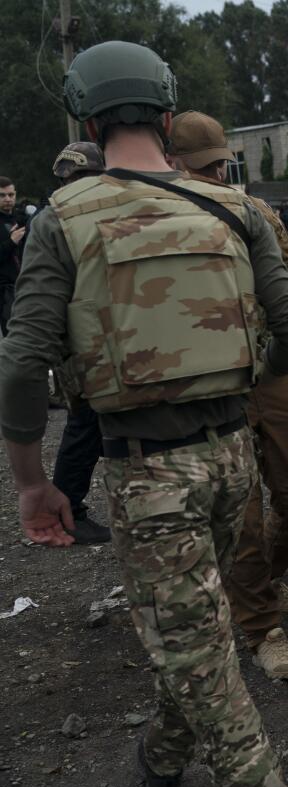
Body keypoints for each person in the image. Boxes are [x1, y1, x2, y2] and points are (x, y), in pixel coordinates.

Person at [0, 42, 288, 787]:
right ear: (168, 115)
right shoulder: (237, 208)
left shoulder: (63, 218)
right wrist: (247, 385)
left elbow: (21, 364)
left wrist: (32, 485)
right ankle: (161, 758)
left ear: (86, 118)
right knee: (195, 636)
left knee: (198, 648)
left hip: (146, 468)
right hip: (231, 458)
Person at [167, 109, 288, 681]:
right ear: (174, 161)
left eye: (218, 166)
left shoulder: (251, 210)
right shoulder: (158, 212)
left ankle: (260, 582)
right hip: (210, 377)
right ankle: (261, 626)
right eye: (204, 166)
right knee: (243, 512)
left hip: (272, 366)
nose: (213, 175)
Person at [46, 142, 111, 546]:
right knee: (84, 427)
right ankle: (70, 510)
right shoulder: (62, 223)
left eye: (80, 178)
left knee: (93, 427)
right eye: (69, 180)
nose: (74, 187)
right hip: (84, 345)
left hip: (104, 341)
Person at [0, 176, 27, 335]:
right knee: (12, 336)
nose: (8, 199)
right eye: (2, 195)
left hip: (24, 285)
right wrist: (11, 241)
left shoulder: (21, 218)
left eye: (11, 195)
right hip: (4, 291)